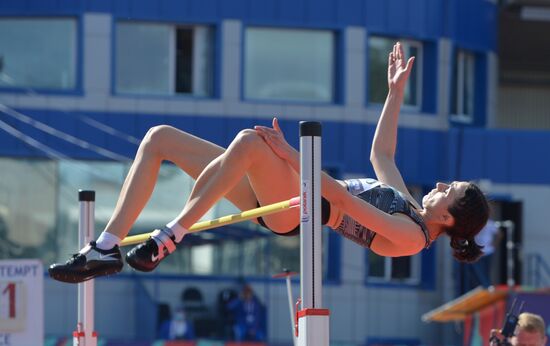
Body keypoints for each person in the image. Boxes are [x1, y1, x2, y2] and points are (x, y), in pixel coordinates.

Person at [48, 42, 490, 284]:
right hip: (288, 193)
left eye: (449, 190)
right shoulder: (409, 206)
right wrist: (394, 95)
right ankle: (106, 247)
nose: (441, 184)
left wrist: (292, 156)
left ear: (449, 217)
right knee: (159, 138)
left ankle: (170, 236)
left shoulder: (411, 237)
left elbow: (337, 197)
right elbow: (382, 154)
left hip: (297, 210)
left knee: (253, 142)